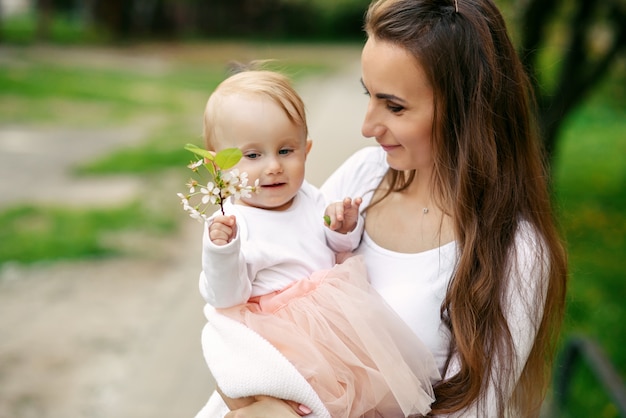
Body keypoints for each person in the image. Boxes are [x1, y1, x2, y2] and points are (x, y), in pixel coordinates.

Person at [216, 0, 568, 417]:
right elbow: (265, 287)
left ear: (465, 110)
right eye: (369, 95)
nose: (367, 127)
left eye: (395, 106)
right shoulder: (363, 177)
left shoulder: (515, 250)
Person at [197, 68, 440, 417]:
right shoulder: (234, 223)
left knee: (358, 396)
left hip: (336, 324)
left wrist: (342, 227)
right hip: (279, 333)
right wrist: (221, 250)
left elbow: (335, 249)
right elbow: (225, 296)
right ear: (218, 164)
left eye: (285, 150)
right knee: (302, 400)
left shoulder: (311, 197)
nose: (273, 167)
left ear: (306, 150)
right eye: (252, 156)